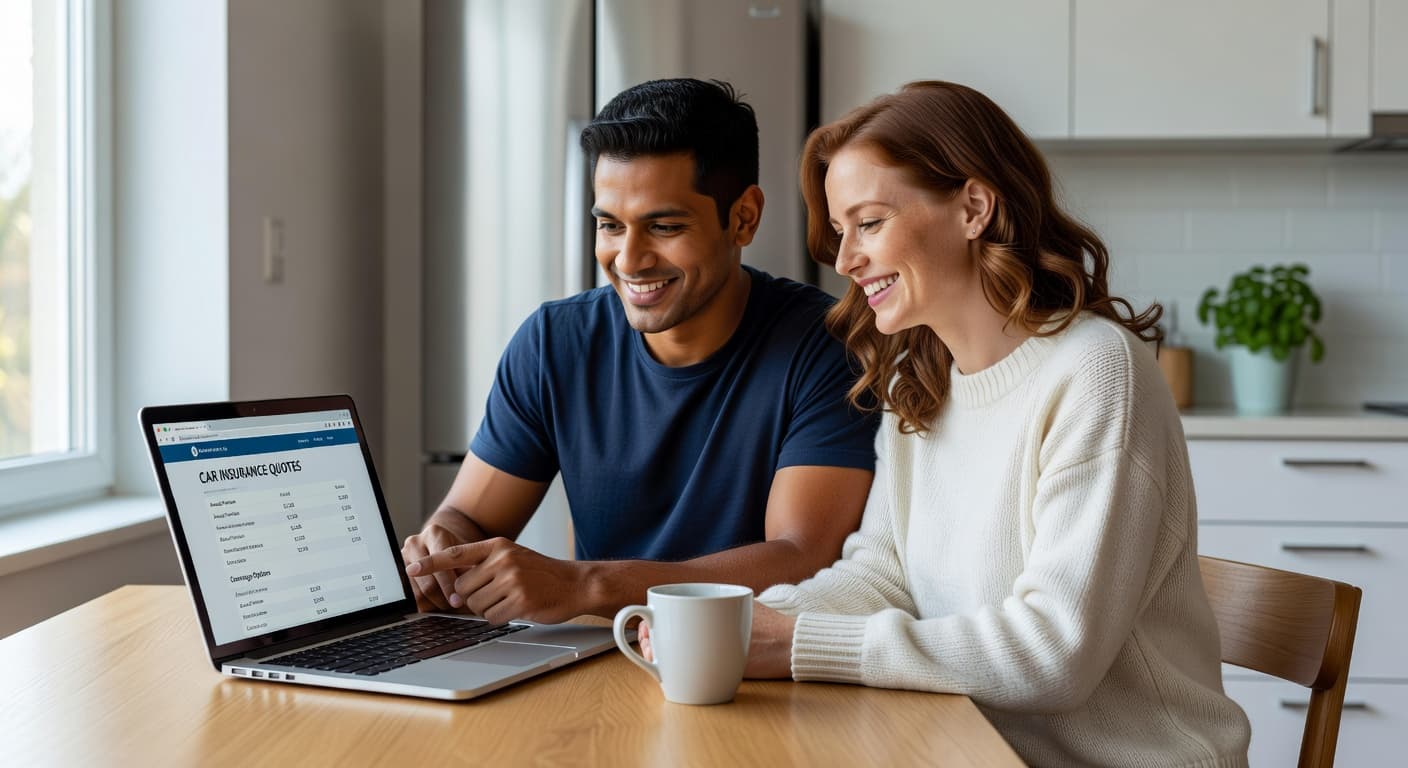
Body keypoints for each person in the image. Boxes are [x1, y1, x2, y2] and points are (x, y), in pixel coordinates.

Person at [737, 81, 1252, 766]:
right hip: (969, 748)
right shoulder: (920, 381)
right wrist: (743, 622)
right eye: (839, 231)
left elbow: (1053, 652)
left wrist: (797, 644)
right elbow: (883, 575)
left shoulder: (1095, 372)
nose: (845, 259)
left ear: (973, 208)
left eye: (869, 223)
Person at [402, 78, 880, 625]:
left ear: (743, 218)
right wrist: (443, 547)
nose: (629, 260)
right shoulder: (553, 344)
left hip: (749, 657)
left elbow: (801, 559)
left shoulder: (828, 347)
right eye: (610, 225)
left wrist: (582, 584)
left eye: (664, 226)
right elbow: (469, 517)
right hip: (595, 657)